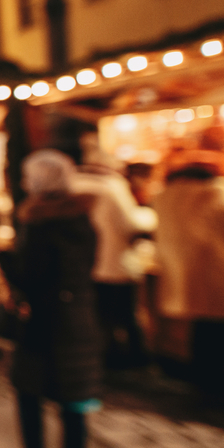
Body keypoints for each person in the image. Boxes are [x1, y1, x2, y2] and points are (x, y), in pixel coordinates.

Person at [1, 150, 101, 448]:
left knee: (29, 395)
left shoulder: (38, 222)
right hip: (79, 318)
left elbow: (30, 276)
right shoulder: (82, 220)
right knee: (75, 403)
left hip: (43, 323)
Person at [151, 163, 224, 400]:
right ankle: (215, 382)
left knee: (202, 323)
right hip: (218, 269)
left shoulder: (165, 196)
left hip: (183, 270)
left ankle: (200, 376)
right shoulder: (215, 193)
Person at [70, 142, 156, 369]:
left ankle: (99, 355)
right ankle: (131, 359)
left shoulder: (73, 184)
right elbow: (130, 223)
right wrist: (149, 216)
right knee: (125, 315)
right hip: (113, 263)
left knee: (97, 314)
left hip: (84, 264)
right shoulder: (112, 186)